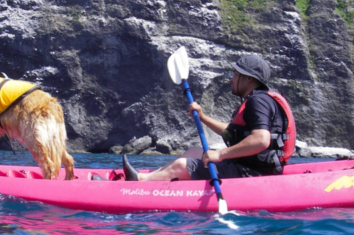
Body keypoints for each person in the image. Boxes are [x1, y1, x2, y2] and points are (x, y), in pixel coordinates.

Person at [122, 54, 296, 182]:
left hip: (252, 174)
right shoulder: (260, 100)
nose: (231, 79)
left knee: (183, 165)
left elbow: (261, 140)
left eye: (236, 74)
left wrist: (220, 154)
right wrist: (203, 117)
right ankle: (143, 178)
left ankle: (139, 185)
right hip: (247, 165)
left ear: (249, 79)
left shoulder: (258, 102)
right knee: (194, 152)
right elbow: (231, 133)